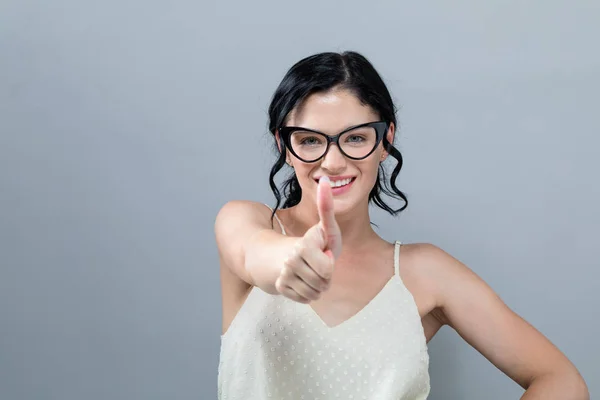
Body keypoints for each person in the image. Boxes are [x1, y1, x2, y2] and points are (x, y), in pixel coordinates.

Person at [214, 51, 589, 399]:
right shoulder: (244, 219)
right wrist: (290, 259)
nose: (332, 162)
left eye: (356, 138)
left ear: (385, 141)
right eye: (310, 141)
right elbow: (252, 251)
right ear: (284, 145)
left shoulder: (425, 272)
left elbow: (561, 381)